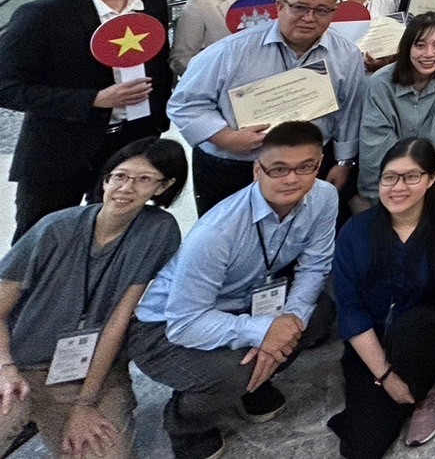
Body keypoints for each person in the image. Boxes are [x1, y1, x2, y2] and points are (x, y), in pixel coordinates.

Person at [130, 123, 338, 459]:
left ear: (319, 164)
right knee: (230, 372)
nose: (292, 179)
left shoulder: (324, 197)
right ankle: (186, 424)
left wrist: (287, 322)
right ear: (257, 169)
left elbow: (314, 266)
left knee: (318, 313)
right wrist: (264, 332)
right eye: (278, 169)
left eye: (306, 167)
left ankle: (255, 381)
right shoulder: (216, 232)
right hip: (164, 326)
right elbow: (184, 323)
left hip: (244, 300)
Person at [0, 138, 185, 459]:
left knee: (103, 453)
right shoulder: (55, 228)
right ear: (105, 179)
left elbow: (118, 321)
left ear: (164, 186)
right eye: (120, 176)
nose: (126, 188)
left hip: (90, 371)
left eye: (144, 179)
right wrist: (6, 367)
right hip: (17, 361)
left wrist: (85, 403)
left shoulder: (158, 231)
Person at [0, 0, 174, 239]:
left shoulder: (153, 6)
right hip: (59, 148)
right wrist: (93, 99)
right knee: (40, 241)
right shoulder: (42, 14)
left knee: (113, 237)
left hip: (129, 145)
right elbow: (5, 86)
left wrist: (156, 127)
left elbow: (158, 65)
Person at [168, 0, 369, 215]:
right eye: (300, 8)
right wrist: (225, 137)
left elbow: (350, 110)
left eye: (321, 11)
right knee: (228, 232)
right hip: (235, 165)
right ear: (280, 7)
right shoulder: (231, 49)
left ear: (333, 13)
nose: (309, 18)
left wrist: (344, 162)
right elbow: (185, 103)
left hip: (309, 165)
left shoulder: (346, 54)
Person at [329, 138, 435, 457]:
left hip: (421, 334)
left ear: (431, 178)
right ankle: (388, 398)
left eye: (411, 177)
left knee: (414, 329)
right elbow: (351, 311)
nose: (398, 187)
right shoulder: (355, 232)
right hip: (370, 339)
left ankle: (422, 390)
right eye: (389, 177)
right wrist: (386, 377)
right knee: (364, 447)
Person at [357, 13, 435, 204]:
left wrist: (418, 180)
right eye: (420, 45)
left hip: (424, 178)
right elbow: (375, 147)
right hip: (382, 181)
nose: (429, 54)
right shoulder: (380, 83)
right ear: (407, 47)